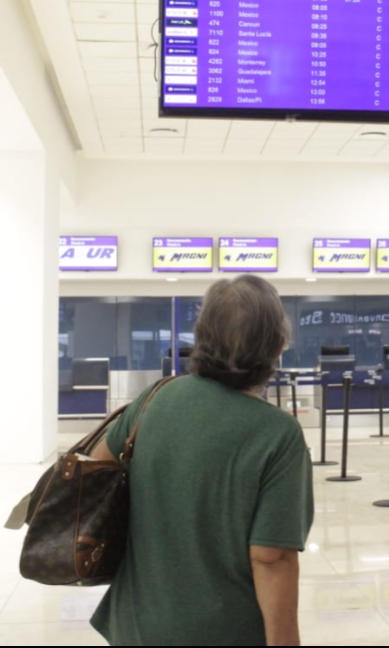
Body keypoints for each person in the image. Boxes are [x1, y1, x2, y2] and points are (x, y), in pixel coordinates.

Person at [89, 275, 313, 647]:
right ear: (277, 345)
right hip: (223, 629)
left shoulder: (154, 398)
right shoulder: (277, 433)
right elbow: (272, 559)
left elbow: (97, 474)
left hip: (134, 624)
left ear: (202, 338)